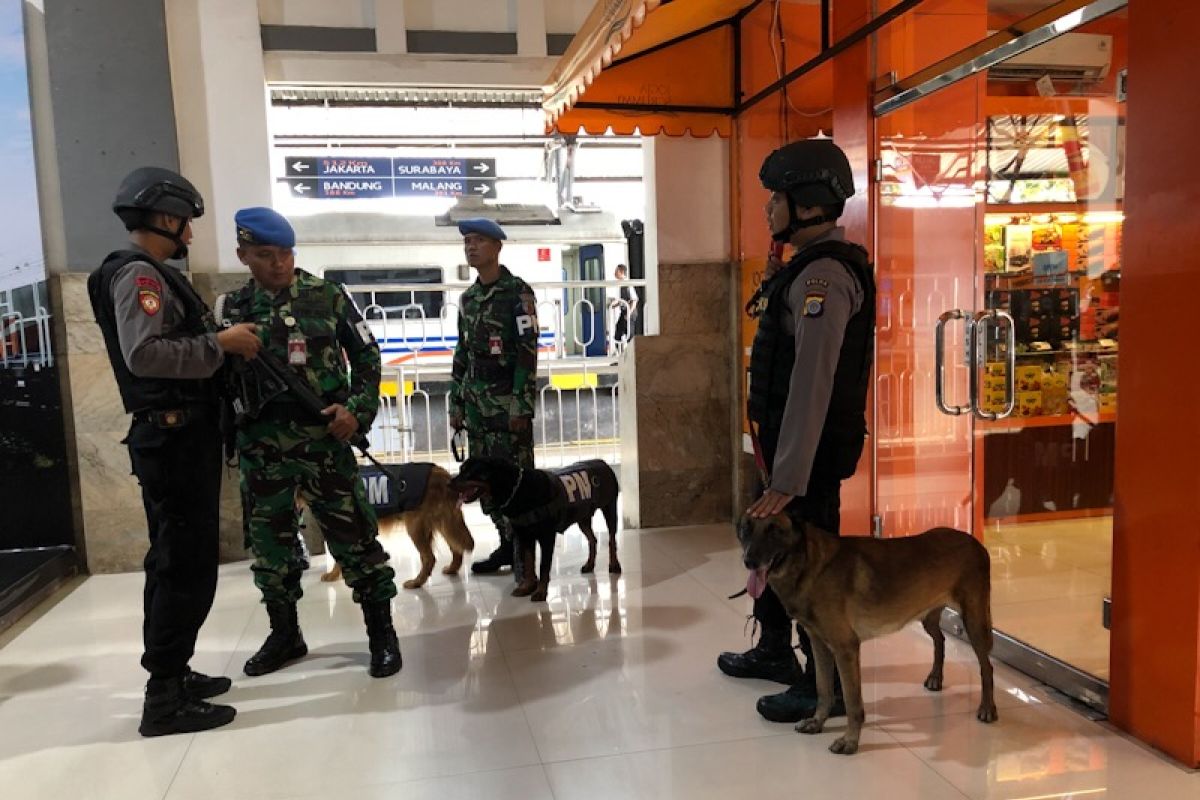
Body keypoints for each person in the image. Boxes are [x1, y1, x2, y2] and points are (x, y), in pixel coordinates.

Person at [88, 166, 262, 737]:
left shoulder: (149, 274)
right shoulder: (140, 276)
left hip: (178, 434)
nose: (189, 236)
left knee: (175, 561)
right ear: (165, 217)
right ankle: (163, 697)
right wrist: (222, 344)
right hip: (174, 436)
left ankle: (174, 672)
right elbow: (146, 355)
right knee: (182, 566)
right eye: (185, 224)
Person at [717, 139, 876, 724]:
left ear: (806, 204)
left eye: (775, 198)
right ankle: (775, 651)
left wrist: (787, 476)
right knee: (771, 557)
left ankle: (818, 685)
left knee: (813, 574)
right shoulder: (804, 269)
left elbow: (813, 381)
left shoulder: (826, 278)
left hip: (804, 462)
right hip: (787, 451)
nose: (768, 209)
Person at [217, 206, 401, 679]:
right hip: (263, 449)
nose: (279, 263)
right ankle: (285, 635)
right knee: (272, 550)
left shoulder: (327, 296)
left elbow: (367, 353)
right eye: (265, 255)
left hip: (324, 443)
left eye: (285, 253)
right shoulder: (232, 311)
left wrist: (356, 411)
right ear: (243, 255)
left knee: (356, 541)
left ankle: (381, 632)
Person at [448, 218, 539, 577]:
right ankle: (506, 543)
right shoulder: (468, 299)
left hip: (507, 406)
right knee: (484, 482)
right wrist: (456, 402)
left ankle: (525, 555)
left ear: (497, 247)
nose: (471, 247)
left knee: (517, 480)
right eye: (467, 241)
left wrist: (521, 405)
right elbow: (462, 353)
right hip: (476, 408)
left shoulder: (518, 293)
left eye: (479, 241)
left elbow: (527, 351)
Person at [610, 263, 638, 349]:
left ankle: (631, 355)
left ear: (621, 272)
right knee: (618, 334)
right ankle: (620, 356)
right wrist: (615, 305)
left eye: (616, 271)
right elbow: (623, 300)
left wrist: (629, 313)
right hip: (624, 313)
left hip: (629, 313)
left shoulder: (627, 284)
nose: (614, 273)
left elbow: (634, 299)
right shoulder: (620, 284)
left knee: (629, 335)